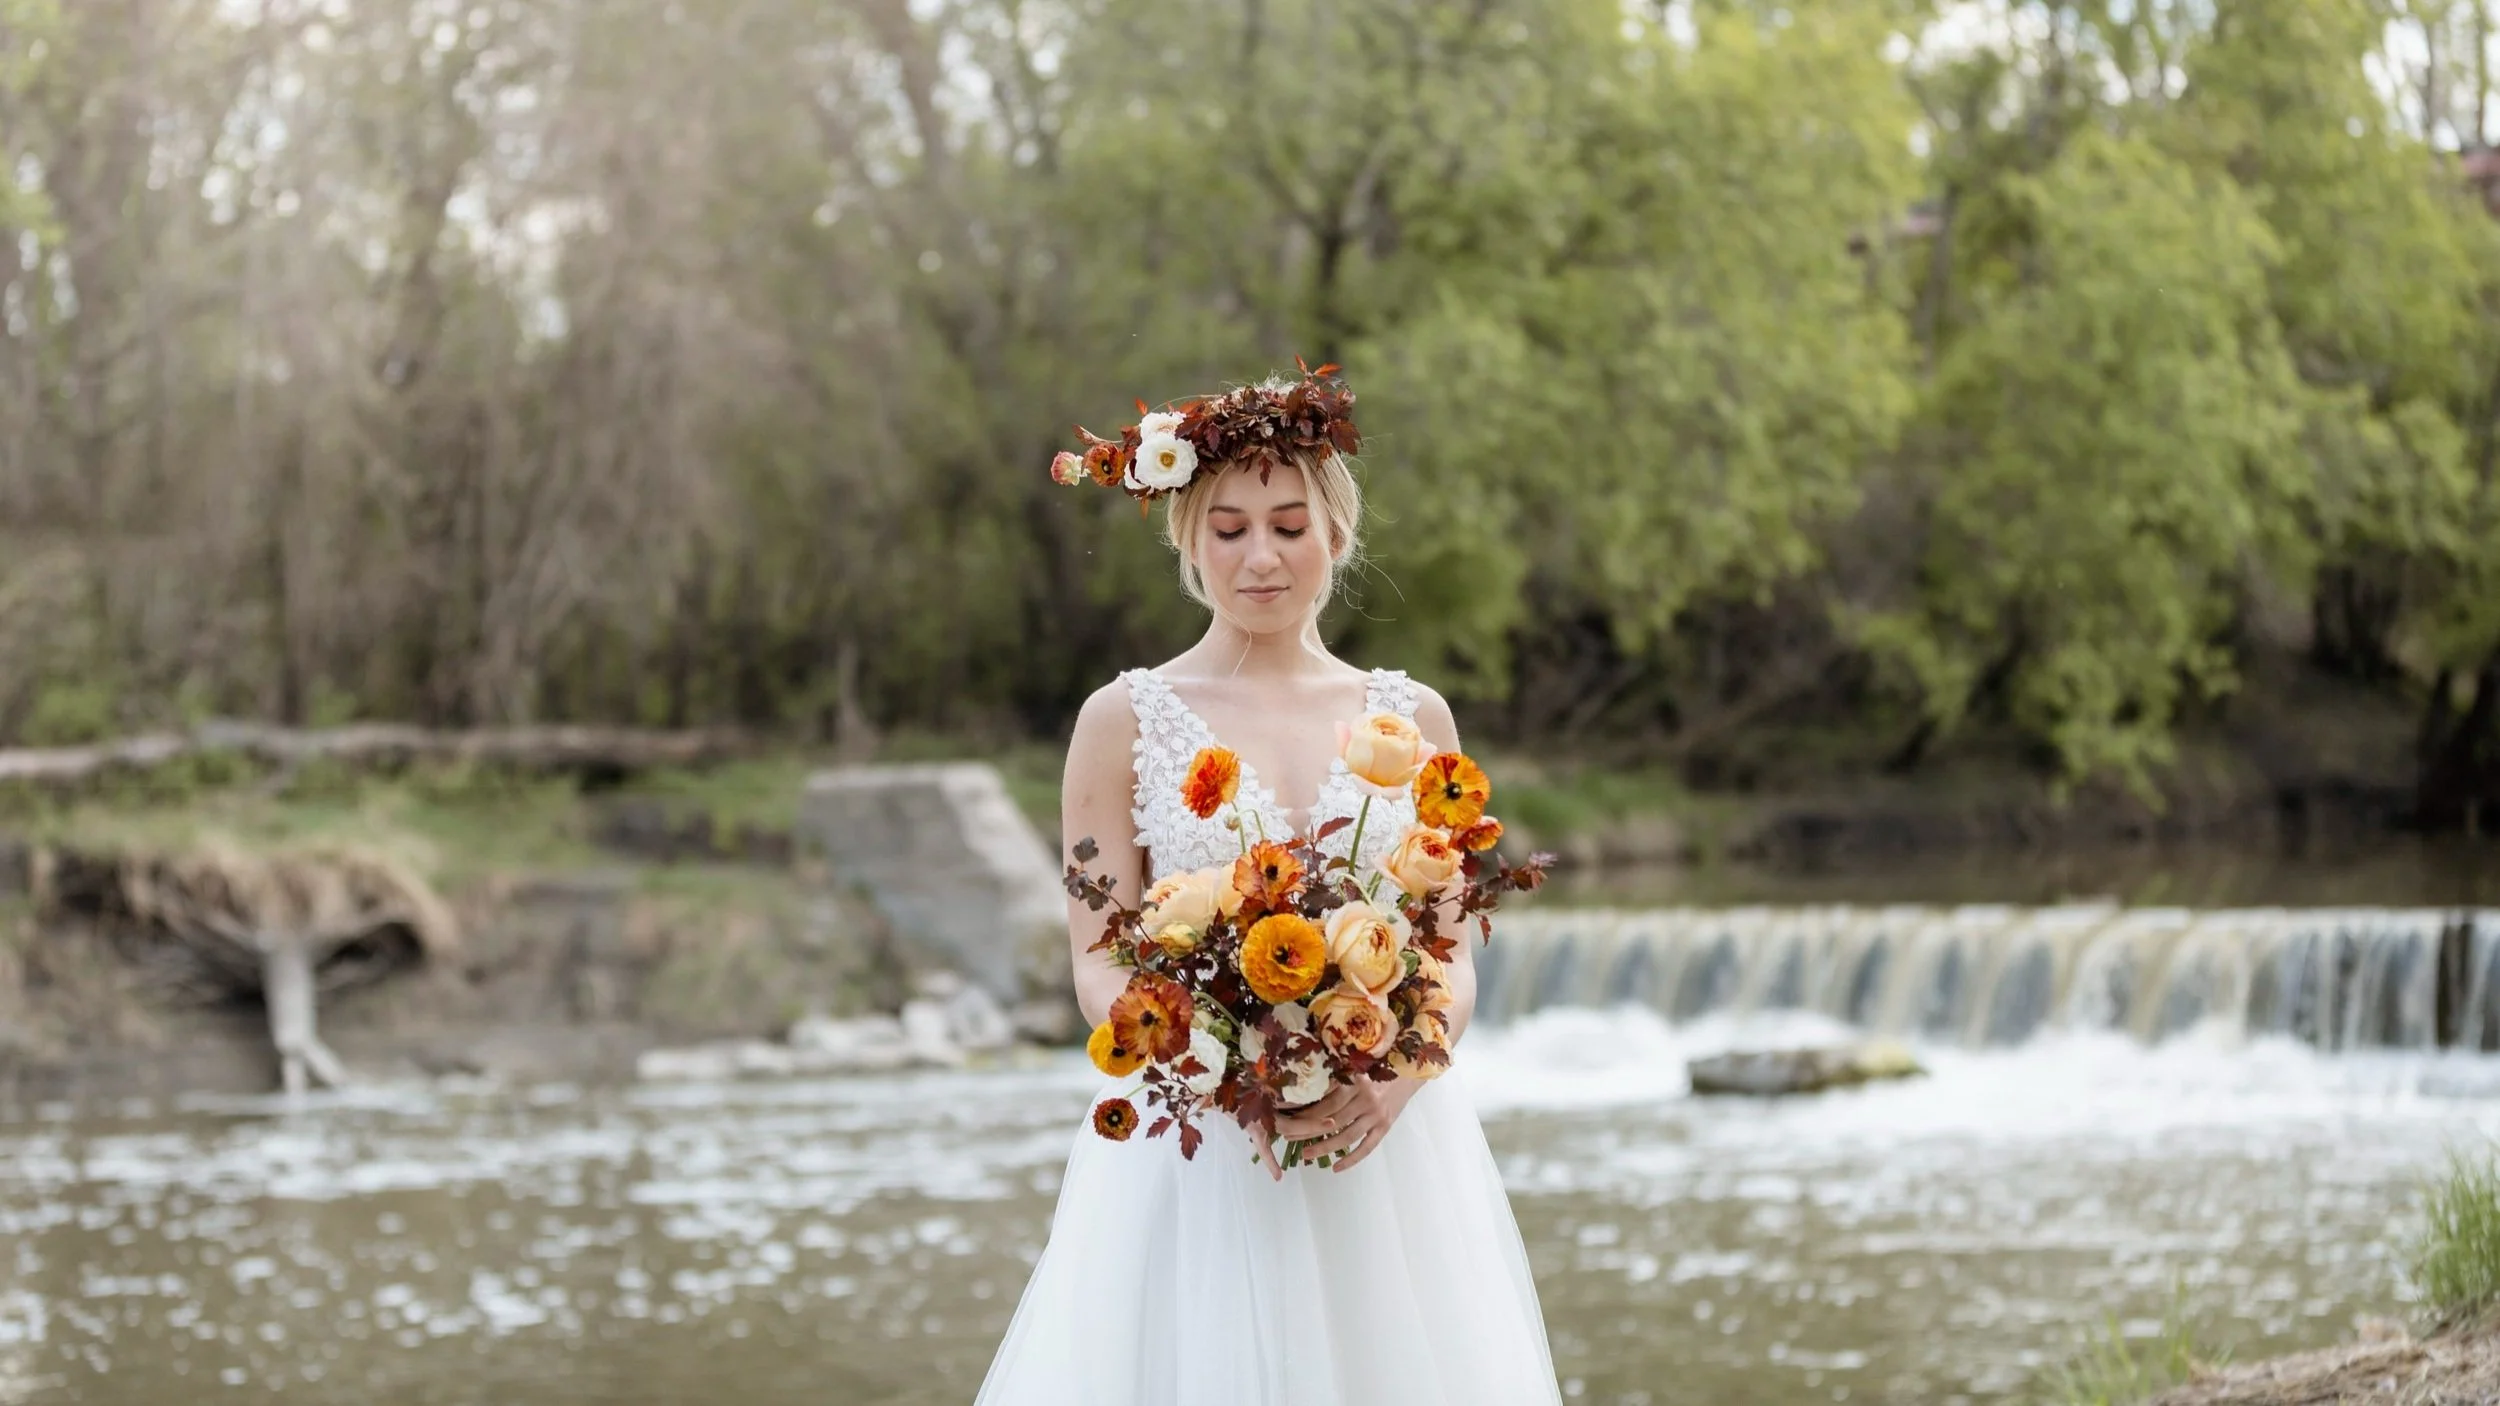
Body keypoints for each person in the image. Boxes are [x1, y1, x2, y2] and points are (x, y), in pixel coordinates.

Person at [974, 368, 1562, 1405]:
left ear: (1336, 534)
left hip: (1383, 1145)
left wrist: (1397, 1072)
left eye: (1289, 526)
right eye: (1230, 528)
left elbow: (1447, 953)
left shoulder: (1414, 718)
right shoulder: (1120, 721)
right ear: (1188, 539)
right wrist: (1214, 1061)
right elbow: (1098, 959)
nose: (1261, 556)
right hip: (1195, 1147)